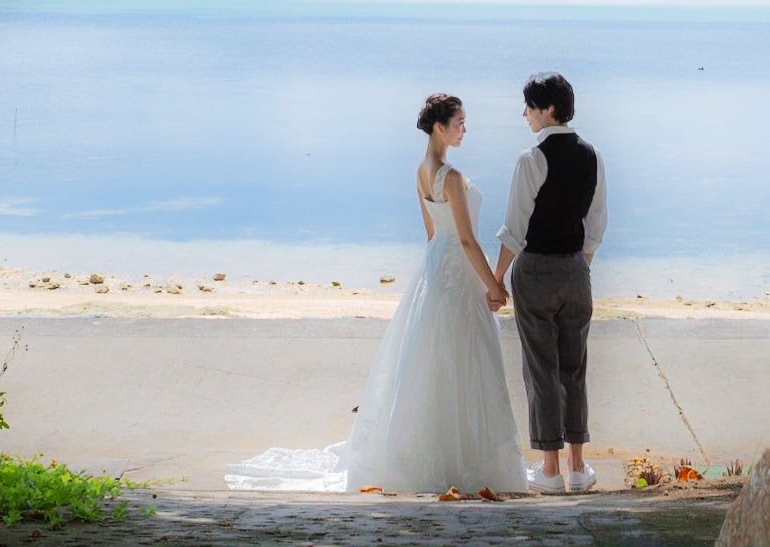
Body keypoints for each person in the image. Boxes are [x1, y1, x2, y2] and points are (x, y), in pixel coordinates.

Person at [224, 94, 525, 495]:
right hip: (458, 272)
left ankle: (436, 455)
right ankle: (465, 460)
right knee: (464, 363)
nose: (464, 129)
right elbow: (467, 241)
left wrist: (437, 278)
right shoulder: (449, 176)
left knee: (434, 364)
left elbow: (432, 235)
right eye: (459, 123)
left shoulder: (422, 170)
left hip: (437, 271)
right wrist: (493, 285)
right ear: (439, 127)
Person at [495, 71, 606, 494]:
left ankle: (550, 470)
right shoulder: (593, 155)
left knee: (541, 369)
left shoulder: (531, 159)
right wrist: (579, 264)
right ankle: (579, 467)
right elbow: (596, 223)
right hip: (577, 269)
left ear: (549, 110)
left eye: (530, 106)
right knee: (574, 366)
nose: (524, 114)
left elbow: (514, 228)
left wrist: (497, 278)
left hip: (537, 270)